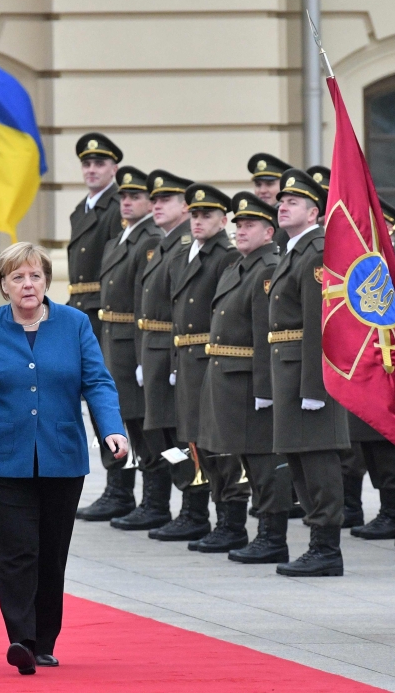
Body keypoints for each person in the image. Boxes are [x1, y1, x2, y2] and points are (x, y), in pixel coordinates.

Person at [0, 242, 128, 675]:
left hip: (61, 457)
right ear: (4, 285)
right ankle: (21, 638)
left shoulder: (75, 324)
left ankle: (45, 640)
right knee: (17, 550)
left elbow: (98, 383)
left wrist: (113, 429)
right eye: (17, 277)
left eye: (36, 276)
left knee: (51, 552)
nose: (28, 284)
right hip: (0, 462)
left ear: (47, 281)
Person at [269, 169, 350, 577]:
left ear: (314, 212)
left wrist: (316, 386)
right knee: (298, 459)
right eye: (282, 201)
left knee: (317, 461)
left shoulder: (316, 251)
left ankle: (327, 547)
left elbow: (320, 322)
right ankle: (317, 542)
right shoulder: (293, 249)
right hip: (288, 369)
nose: (283, 206)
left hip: (308, 373)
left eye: (294, 202)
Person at [197, 192, 284, 560]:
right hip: (225, 377)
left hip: (249, 380)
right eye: (239, 224)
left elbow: (267, 335)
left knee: (263, 463)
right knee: (234, 457)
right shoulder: (238, 267)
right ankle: (232, 526)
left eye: (249, 225)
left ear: (269, 232)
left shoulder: (266, 269)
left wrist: (265, 389)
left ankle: (272, 537)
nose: (241, 230)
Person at [137, 169, 213, 542]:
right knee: (161, 435)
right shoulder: (165, 244)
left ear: (185, 208)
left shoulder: (185, 246)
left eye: (165, 200)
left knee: (181, 437)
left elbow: (179, 311)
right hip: (154, 351)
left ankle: (194, 505)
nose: (157, 206)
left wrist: (168, 362)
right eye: (154, 200)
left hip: (173, 352)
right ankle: (181, 499)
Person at [97, 167, 169, 531]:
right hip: (113, 339)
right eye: (123, 197)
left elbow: (147, 302)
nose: (127, 202)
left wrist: (143, 356)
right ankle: (120, 491)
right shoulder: (119, 240)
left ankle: (155, 500)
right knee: (122, 420)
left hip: (133, 341)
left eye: (136, 197)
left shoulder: (150, 241)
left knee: (144, 424)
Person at [68, 132, 133, 521]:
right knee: (95, 403)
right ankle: (115, 485)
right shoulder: (82, 207)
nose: (92, 170)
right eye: (87, 164)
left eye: (100, 164)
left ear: (114, 169)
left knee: (110, 401)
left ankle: (121, 486)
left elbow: (116, 268)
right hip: (83, 308)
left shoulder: (116, 207)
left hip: (105, 312)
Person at [171, 183, 240, 550]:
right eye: (194, 214)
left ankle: (232, 520)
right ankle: (211, 514)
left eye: (207, 215)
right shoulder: (188, 252)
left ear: (222, 220)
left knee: (219, 444)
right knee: (195, 442)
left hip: (210, 356)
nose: (198, 221)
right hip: (187, 358)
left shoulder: (225, 256)